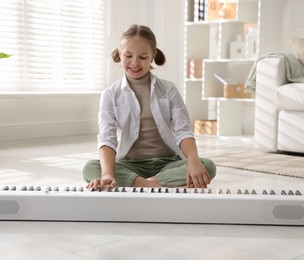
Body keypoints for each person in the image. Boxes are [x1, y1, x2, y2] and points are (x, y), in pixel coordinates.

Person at [82, 24, 216, 189]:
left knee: (207, 166)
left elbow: (183, 131)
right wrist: (108, 175)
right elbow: (107, 139)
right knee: (90, 168)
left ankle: (140, 184)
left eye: (143, 57)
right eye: (128, 55)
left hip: (167, 163)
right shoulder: (110, 94)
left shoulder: (169, 89)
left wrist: (193, 161)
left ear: (153, 56)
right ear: (119, 53)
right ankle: (154, 184)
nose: (135, 63)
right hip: (129, 164)